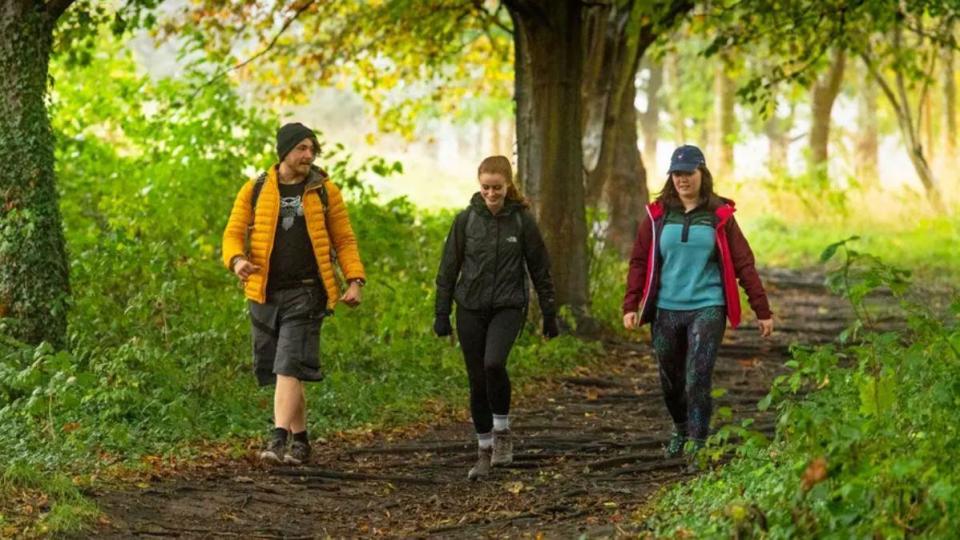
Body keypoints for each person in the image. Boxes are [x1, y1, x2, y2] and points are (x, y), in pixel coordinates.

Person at [222, 122, 366, 465]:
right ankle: (301, 440)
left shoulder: (325, 191)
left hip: (307, 292)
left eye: (311, 148)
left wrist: (355, 279)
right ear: (284, 151)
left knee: (287, 365)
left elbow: (344, 240)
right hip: (265, 292)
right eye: (301, 148)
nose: (308, 155)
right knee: (284, 369)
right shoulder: (256, 189)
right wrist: (237, 259)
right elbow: (231, 234)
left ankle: (277, 440)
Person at [622, 144, 773, 459]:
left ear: (702, 173)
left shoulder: (719, 216)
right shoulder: (658, 215)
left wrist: (762, 309)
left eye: (688, 173)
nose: (682, 180)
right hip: (666, 308)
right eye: (676, 174)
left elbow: (744, 263)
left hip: (707, 306)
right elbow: (638, 261)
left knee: (698, 376)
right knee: (670, 379)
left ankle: (698, 445)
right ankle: (680, 429)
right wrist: (630, 304)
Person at [434, 155, 559, 481]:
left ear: (508, 186)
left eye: (497, 188)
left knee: (493, 365)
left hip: (508, 306)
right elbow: (448, 268)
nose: (491, 193)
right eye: (486, 187)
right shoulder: (465, 221)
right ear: (479, 185)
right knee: (477, 379)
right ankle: (484, 450)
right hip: (470, 307)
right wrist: (441, 312)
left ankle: (503, 431)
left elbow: (540, 269)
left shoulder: (522, 222)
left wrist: (549, 313)